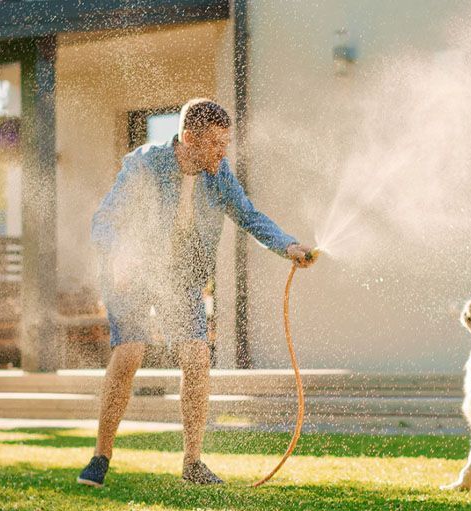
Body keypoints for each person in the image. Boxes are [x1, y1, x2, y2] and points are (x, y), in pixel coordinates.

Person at [79, 98, 316, 487]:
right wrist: (121, 255)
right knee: (131, 351)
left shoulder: (219, 175)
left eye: (227, 143)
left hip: (180, 274)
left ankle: (192, 463)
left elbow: (249, 216)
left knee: (196, 355)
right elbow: (104, 220)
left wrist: (287, 246)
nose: (223, 153)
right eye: (215, 144)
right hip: (132, 270)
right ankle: (100, 456)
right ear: (188, 138)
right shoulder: (144, 164)